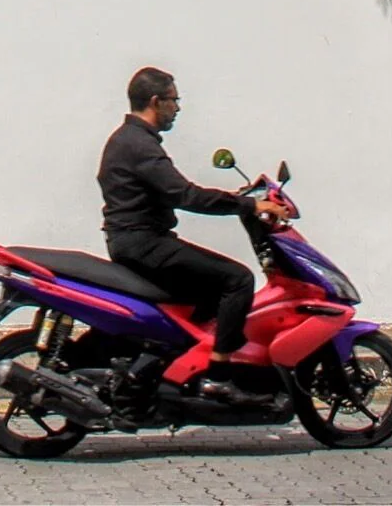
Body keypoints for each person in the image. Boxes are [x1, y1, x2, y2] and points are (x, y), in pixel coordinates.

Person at [98, 67, 278, 390]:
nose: (178, 107)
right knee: (238, 280)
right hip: (145, 244)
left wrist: (237, 199)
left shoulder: (128, 140)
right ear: (156, 101)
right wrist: (250, 205)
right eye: (174, 100)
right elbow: (184, 195)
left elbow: (172, 191)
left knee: (209, 294)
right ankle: (219, 377)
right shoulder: (140, 145)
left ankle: (182, 361)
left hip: (135, 242)